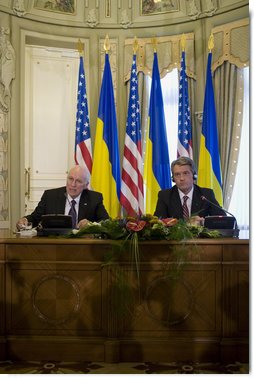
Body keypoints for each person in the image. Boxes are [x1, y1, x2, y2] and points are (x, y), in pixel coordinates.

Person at [16, 165, 109, 230]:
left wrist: (91, 225)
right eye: (71, 179)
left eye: (78, 181)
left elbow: (106, 222)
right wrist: (24, 220)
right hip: (54, 245)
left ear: (86, 185)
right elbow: (35, 218)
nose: (73, 184)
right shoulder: (50, 196)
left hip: (82, 246)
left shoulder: (94, 199)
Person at [154, 156, 226, 225]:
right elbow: (158, 223)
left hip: (201, 237)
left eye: (185, 173)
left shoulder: (206, 194)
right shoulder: (165, 196)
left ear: (194, 175)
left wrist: (204, 222)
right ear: (173, 179)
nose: (181, 178)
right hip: (175, 237)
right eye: (177, 174)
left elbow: (222, 220)